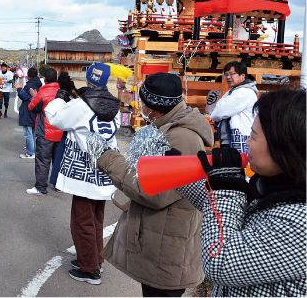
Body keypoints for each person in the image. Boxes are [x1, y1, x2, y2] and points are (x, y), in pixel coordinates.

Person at [177, 88, 307, 297]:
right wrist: (180, 175)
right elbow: (224, 211)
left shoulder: (300, 223)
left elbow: (220, 261)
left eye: (253, 136)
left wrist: (227, 188)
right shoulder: (275, 189)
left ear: (284, 149)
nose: (246, 143)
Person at [97, 72, 214, 296]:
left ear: (154, 106)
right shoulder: (166, 127)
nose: (140, 106)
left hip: (168, 249)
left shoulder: (182, 138)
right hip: (160, 240)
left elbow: (154, 191)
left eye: (142, 102)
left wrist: (109, 159)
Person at [45, 63, 121, 285]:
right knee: (96, 219)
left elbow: (55, 118)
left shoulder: (80, 104)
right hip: (105, 170)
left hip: (84, 172)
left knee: (82, 221)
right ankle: (94, 259)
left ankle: (90, 270)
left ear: (88, 79)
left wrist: (60, 97)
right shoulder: (114, 105)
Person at [26, 68, 62, 195]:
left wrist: (34, 97)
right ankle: (59, 185)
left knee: (42, 160)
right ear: (56, 79)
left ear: (44, 79)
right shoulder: (63, 92)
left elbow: (32, 107)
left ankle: (41, 188)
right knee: (58, 160)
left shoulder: (42, 93)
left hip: (45, 132)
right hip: (61, 132)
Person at [211, 61, 257, 154]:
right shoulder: (233, 91)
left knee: (238, 166)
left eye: (232, 74)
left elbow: (219, 111)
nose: (228, 77)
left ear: (242, 76)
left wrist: (217, 110)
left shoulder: (245, 92)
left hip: (240, 138)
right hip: (229, 139)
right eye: (226, 74)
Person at [15, 67, 41, 159]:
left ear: (29, 76)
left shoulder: (30, 84)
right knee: (34, 132)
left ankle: (30, 152)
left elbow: (24, 96)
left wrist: (18, 89)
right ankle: (33, 150)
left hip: (28, 109)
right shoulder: (38, 83)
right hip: (35, 109)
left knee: (28, 133)